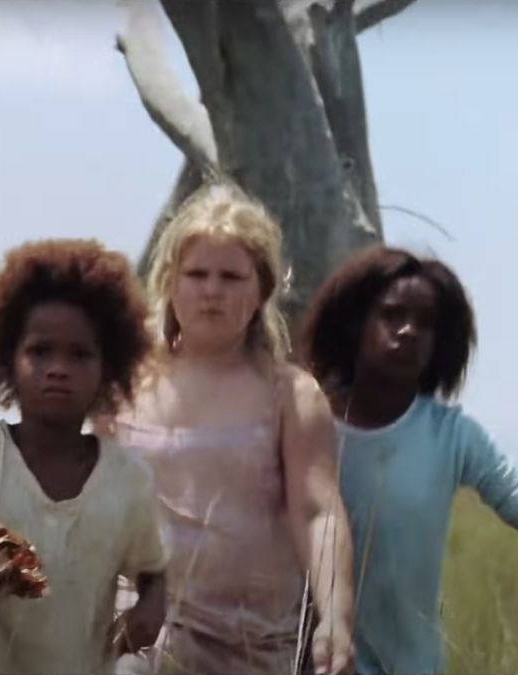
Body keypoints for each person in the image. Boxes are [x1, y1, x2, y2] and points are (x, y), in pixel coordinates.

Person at [100, 184, 353, 675]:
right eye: (197, 274)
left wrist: (335, 617)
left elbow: (318, 510)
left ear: (261, 289)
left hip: (252, 642)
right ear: (170, 282)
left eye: (231, 276)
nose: (212, 289)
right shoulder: (121, 385)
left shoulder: (291, 394)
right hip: (142, 626)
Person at [0, 239, 169, 674]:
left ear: (108, 369)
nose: (58, 368)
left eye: (79, 354)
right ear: (7, 360)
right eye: (40, 352)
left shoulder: (127, 479)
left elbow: (154, 571)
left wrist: (150, 609)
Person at [299, 245, 518, 674]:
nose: (409, 331)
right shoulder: (304, 423)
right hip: (302, 662)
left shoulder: (451, 435)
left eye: (426, 324)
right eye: (392, 315)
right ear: (355, 323)